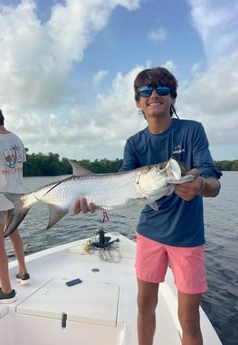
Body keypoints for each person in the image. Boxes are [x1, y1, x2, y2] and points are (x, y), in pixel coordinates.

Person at [73, 67, 222, 345]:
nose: (154, 94)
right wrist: (94, 200)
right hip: (149, 234)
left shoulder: (192, 131)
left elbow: (212, 180)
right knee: (144, 306)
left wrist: (201, 186)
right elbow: (121, 184)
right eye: (146, 91)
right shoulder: (134, 143)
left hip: (187, 238)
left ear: (173, 98)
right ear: (138, 102)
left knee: (189, 320)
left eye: (162, 90)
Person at [0, 103, 30, 304]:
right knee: (13, 233)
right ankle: (22, 271)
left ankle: (6, 290)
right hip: (17, 198)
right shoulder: (17, 140)